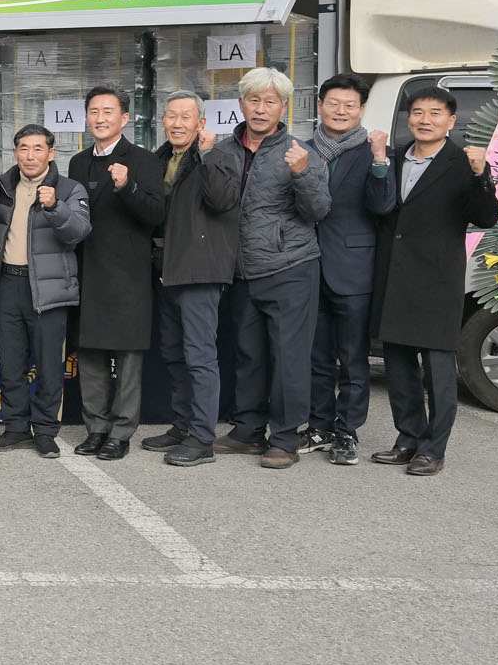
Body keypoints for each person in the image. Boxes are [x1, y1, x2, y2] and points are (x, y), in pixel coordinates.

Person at [370, 87, 498, 477]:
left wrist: (481, 175)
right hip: (395, 275)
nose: (425, 120)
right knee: (398, 365)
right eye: (418, 112)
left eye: (435, 113)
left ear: (450, 121)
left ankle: (433, 449)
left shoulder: (463, 164)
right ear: (408, 117)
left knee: (439, 369)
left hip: (437, 280)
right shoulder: (394, 157)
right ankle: (408, 438)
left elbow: (486, 216)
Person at [212, 67, 331, 469]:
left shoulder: (301, 152)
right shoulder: (224, 151)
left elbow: (318, 210)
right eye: (253, 100)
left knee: (288, 356)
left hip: (290, 267)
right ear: (241, 104)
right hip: (241, 269)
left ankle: (284, 438)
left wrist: (301, 174)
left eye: (270, 102)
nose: (260, 109)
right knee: (248, 354)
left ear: (283, 107)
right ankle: (247, 431)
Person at [66, 87, 167, 460]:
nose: (100, 118)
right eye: (94, 111)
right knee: (90, 354)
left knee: (127, 358)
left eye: (108, 111)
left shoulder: (143, 160)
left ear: (124, 118)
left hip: (128, 275)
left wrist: (128, 187)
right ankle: (96, 428)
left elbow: (156, 215)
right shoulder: (77, 163)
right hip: (87, 270)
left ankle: (121, 433)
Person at [144, 92, 242, 467]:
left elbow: (221, 200)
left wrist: (207, 154)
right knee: (173, 352)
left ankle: (202, 438)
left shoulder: (219, 156)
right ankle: (182, 425)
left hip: (199, 270)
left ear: (201, 123)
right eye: (171, 115)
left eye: (186, 116)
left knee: (200, 356)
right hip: (167, 269)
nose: (177, 122)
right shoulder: (160, 158)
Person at [306, 74, 395, 465]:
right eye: (333, 103)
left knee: (354, 360)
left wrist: (380, 161)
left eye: (349, 105)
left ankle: (347, 432)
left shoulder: (372, 150)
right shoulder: (302, 149)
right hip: (307, 266)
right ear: (319, 105)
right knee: (317, 358)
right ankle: (319, 426)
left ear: (361, 110)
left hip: (353, 269)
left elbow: (382, 206)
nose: (340, 111)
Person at [0, 125, 92, 456]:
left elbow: (79, 232)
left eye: (37, 149)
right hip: (9, 283)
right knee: (10, 364)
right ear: (14, 152)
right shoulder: (2, 188)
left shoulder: (69, 189)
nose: (30, 156)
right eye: (23, 149)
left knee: (48, 365)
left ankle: (45, 431)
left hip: (48, 289)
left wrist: (55, 207)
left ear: (51, 153)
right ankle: (16, 427)